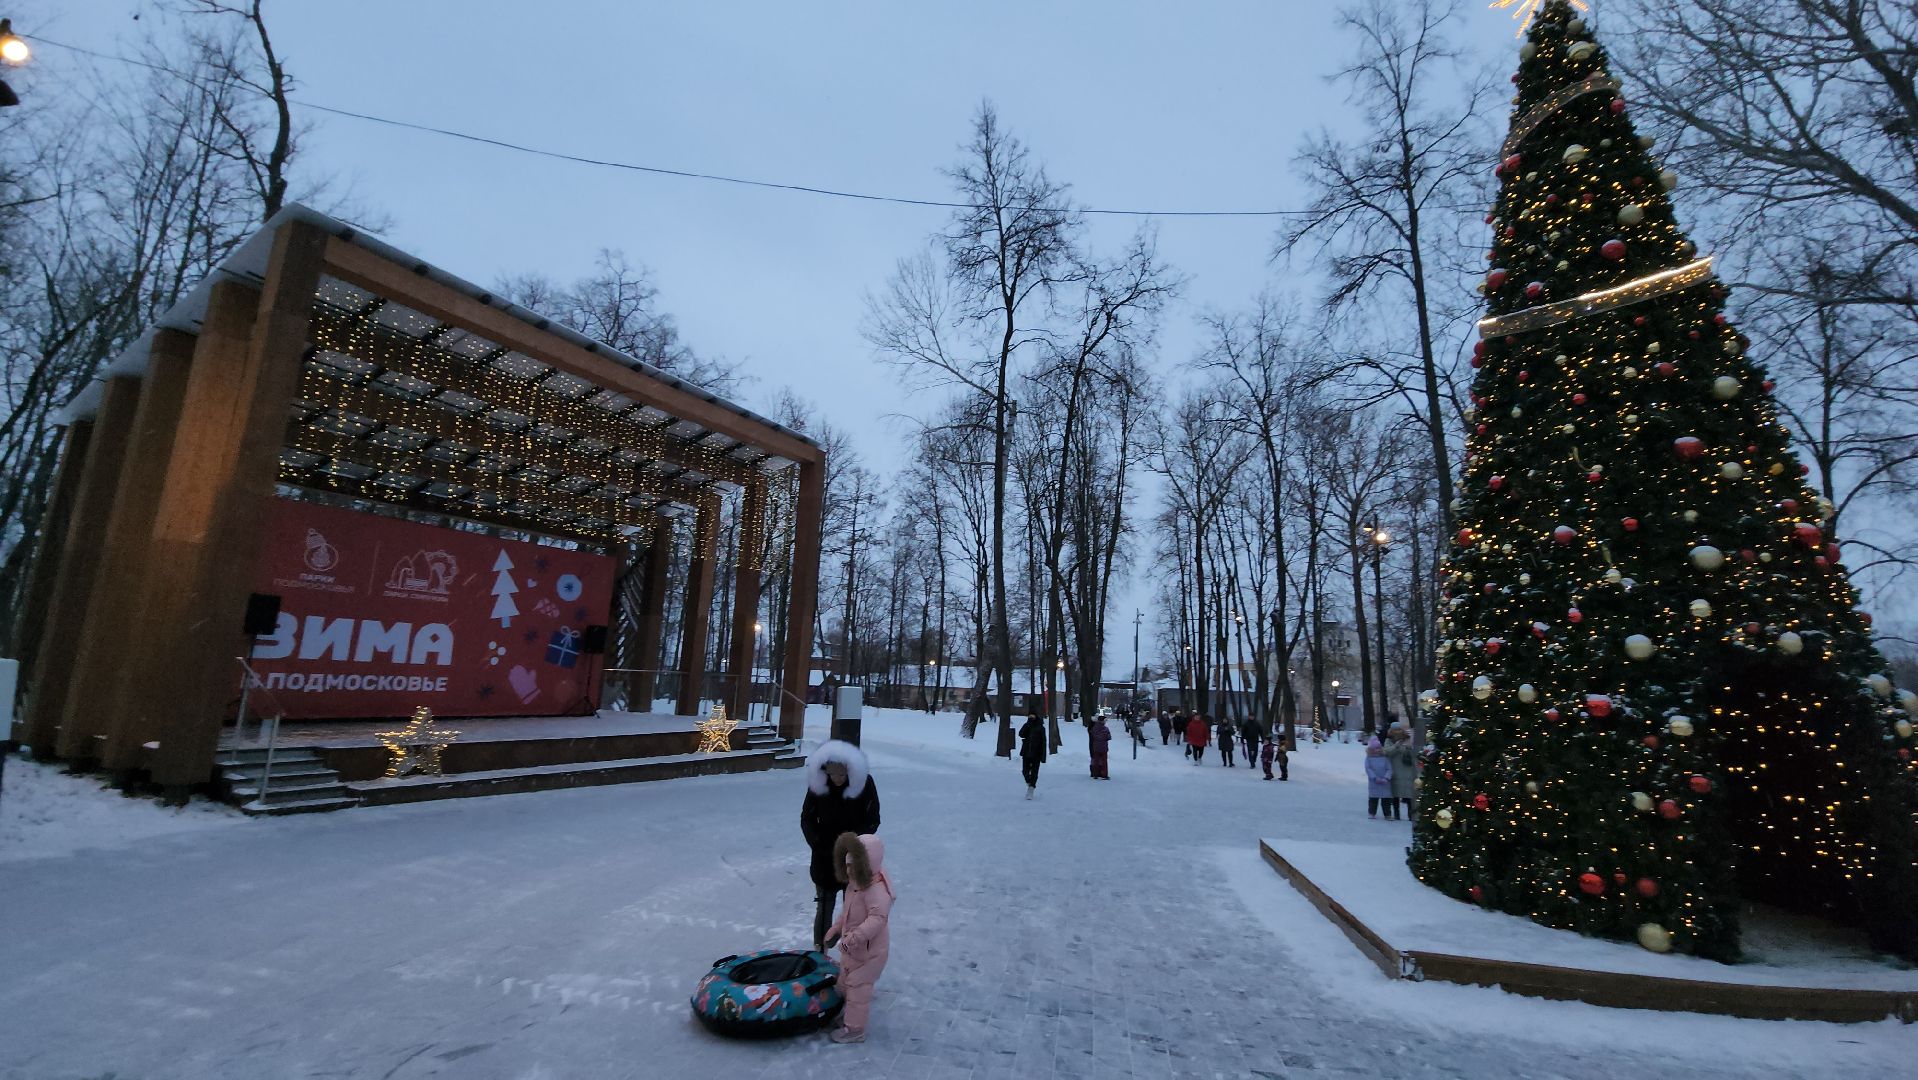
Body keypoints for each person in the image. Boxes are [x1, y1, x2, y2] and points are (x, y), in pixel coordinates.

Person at [802, 740, 881, 951]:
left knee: (853, 910)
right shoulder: (818, 783)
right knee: (824, 906)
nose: (837, 779)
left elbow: (873, 819)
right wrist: (817, 843)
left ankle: (850, 951)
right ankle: (821, 950)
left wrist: (854, 844)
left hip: (853, 857)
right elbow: (807, 818)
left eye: (842, 775)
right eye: (833, 775)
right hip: (824, 856)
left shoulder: (864, 783)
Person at [824, 832, 894, 1044]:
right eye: (846, 865)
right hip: (853, 949)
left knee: (858, 988)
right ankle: (849, 1017)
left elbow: (878, 918)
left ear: (866, 865)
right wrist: (837, 929)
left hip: (870, 953)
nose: (848, 870)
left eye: (853, 866)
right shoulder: (854, 885)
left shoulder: (876, 890)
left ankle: (855, 1029)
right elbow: (847, 913)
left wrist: (856, 937)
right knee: (845, 981)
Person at [1385, 720, 1417, 819]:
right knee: (1395, 794)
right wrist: (1396, 746)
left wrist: (1409, 748)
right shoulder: (1388, 740)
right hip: (1395, 770)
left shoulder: (1407, 739)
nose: (1397, 732)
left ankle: (1411, 815)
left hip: (1407, 771)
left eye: (1399, 729)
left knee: (1409, 794)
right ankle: (1396, 814)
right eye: (1395, 730)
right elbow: (1386, 752)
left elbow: (1414, 753)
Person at [1018, 707, 1048, 798]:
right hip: (1026, 752)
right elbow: (1021, 734)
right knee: (1025, 771)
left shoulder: (1041, 727)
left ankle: (1031, 789)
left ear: (1036, 716)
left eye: (1032, 715)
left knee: (1034, 772)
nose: (1031, 717)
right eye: (1030, 715)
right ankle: (1029, 783)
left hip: (1037, 753)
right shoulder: (1027, 725)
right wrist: (1027, 724)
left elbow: (1044, 742)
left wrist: (1043, 756)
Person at [1365, 736, 1394, 818]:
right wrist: (1374, 777)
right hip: (1374, 782)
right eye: (1375, 748)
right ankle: (1372, 813)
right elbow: (1368, 768)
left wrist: (1386, 777)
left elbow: (1389, 768)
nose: (1377, 750)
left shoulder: (1385, 758)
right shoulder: (1369, 758)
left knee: (1386, 800)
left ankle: (1387, 814)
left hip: (1385, 782)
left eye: (1378, 748)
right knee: (1373, 799)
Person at [1088, 711, 1112, 780]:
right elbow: (1109, 737)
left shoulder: (1094, 728)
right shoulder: (1105, 729)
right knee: (1104, 761)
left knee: (1096, 761)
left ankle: (1095, 774)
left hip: (1096, 747)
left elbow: (1093, 735)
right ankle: (1104, 774)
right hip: (1104, 747)